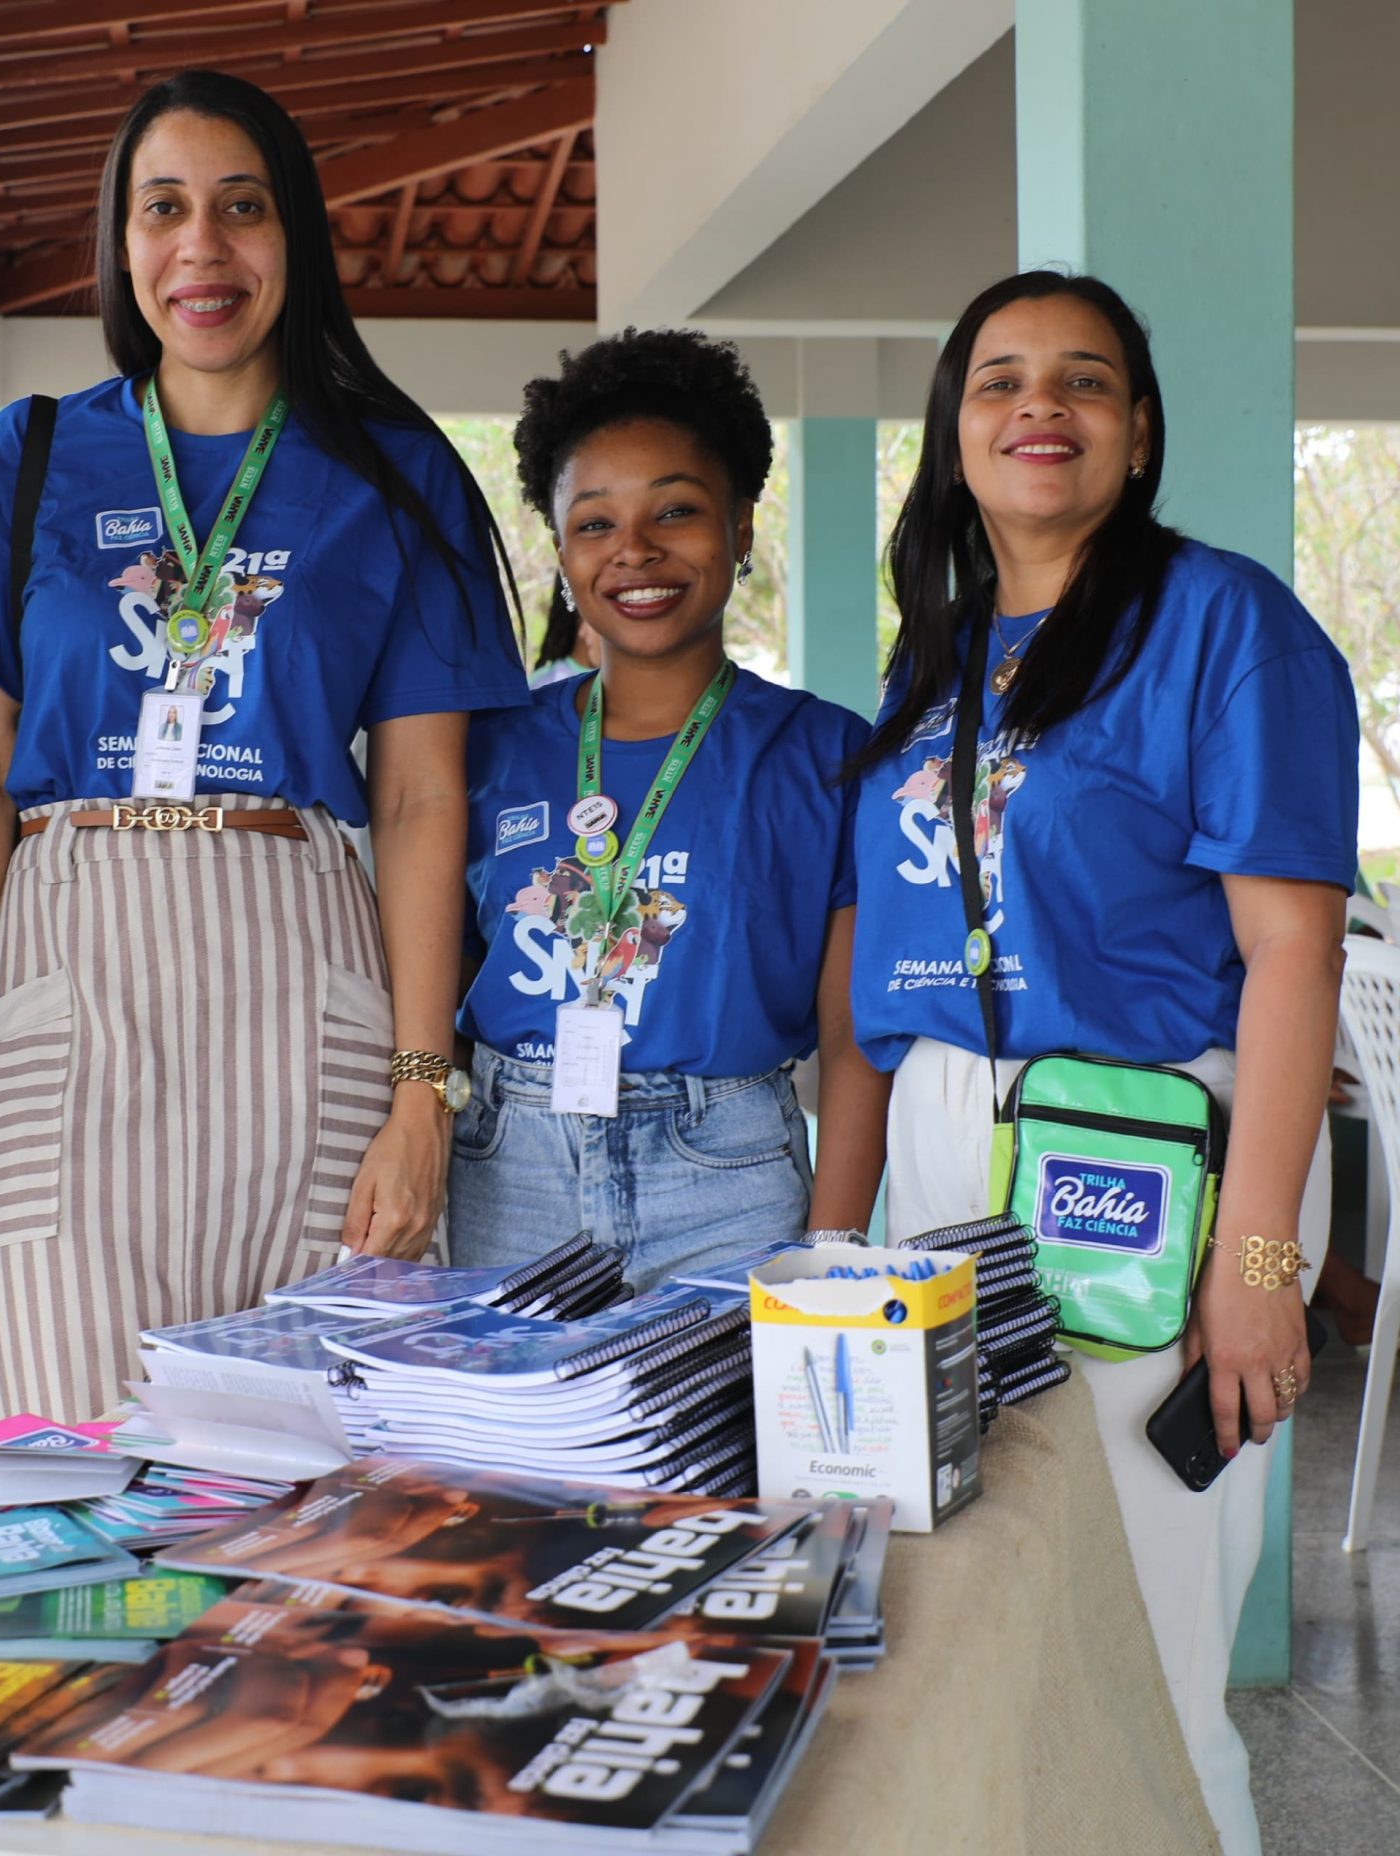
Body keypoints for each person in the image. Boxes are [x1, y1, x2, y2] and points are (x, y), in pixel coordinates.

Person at [0, 69, 530, 1426]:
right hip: (66, 967)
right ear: (122, 245)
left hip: (303, 974)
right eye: (162, 208)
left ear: (293, 236)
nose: (203, 247)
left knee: (303, 1490)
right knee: (56, 1453)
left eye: (242, 208)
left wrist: (421, 1099)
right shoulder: (34, 453)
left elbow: (421, 799)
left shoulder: (398, 475)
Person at [850, 270, 1357, 1855]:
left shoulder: (1224, 623)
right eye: (999, 381)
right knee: (970, 1619)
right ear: (951, 435)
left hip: (1147, 1149)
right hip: (948, 1145)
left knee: (1143, 1636)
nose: (1038, 409)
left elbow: (1292, 949)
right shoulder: (935, 654)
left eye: (1084, 382)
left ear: (1138, 434)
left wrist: (1261, 1255)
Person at [450, 330, 887, 1289]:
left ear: (740, 526)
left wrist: (835, 1247)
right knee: (504, 1443)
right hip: (504, 1168)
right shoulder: (484, 746)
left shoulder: (827, 753)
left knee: (724, 1445)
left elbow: (854, 1037)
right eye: (595, 523)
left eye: (677, 511)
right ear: (561, 550)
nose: (635, 551)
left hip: (728, 1178)